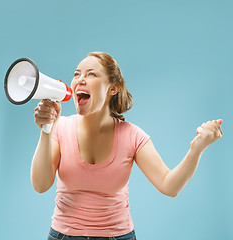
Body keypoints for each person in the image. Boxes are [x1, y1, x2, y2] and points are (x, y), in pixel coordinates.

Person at [31, 52, 223, 240]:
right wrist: (46, 129)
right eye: (76, 74)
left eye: (91, 74)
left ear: (113, 88)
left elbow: (169, 186)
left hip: (118, 236)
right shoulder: (60, 128)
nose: (80, 79)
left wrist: (197, 148)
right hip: (63, 236)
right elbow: (40, 185)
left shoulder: (133, 136)